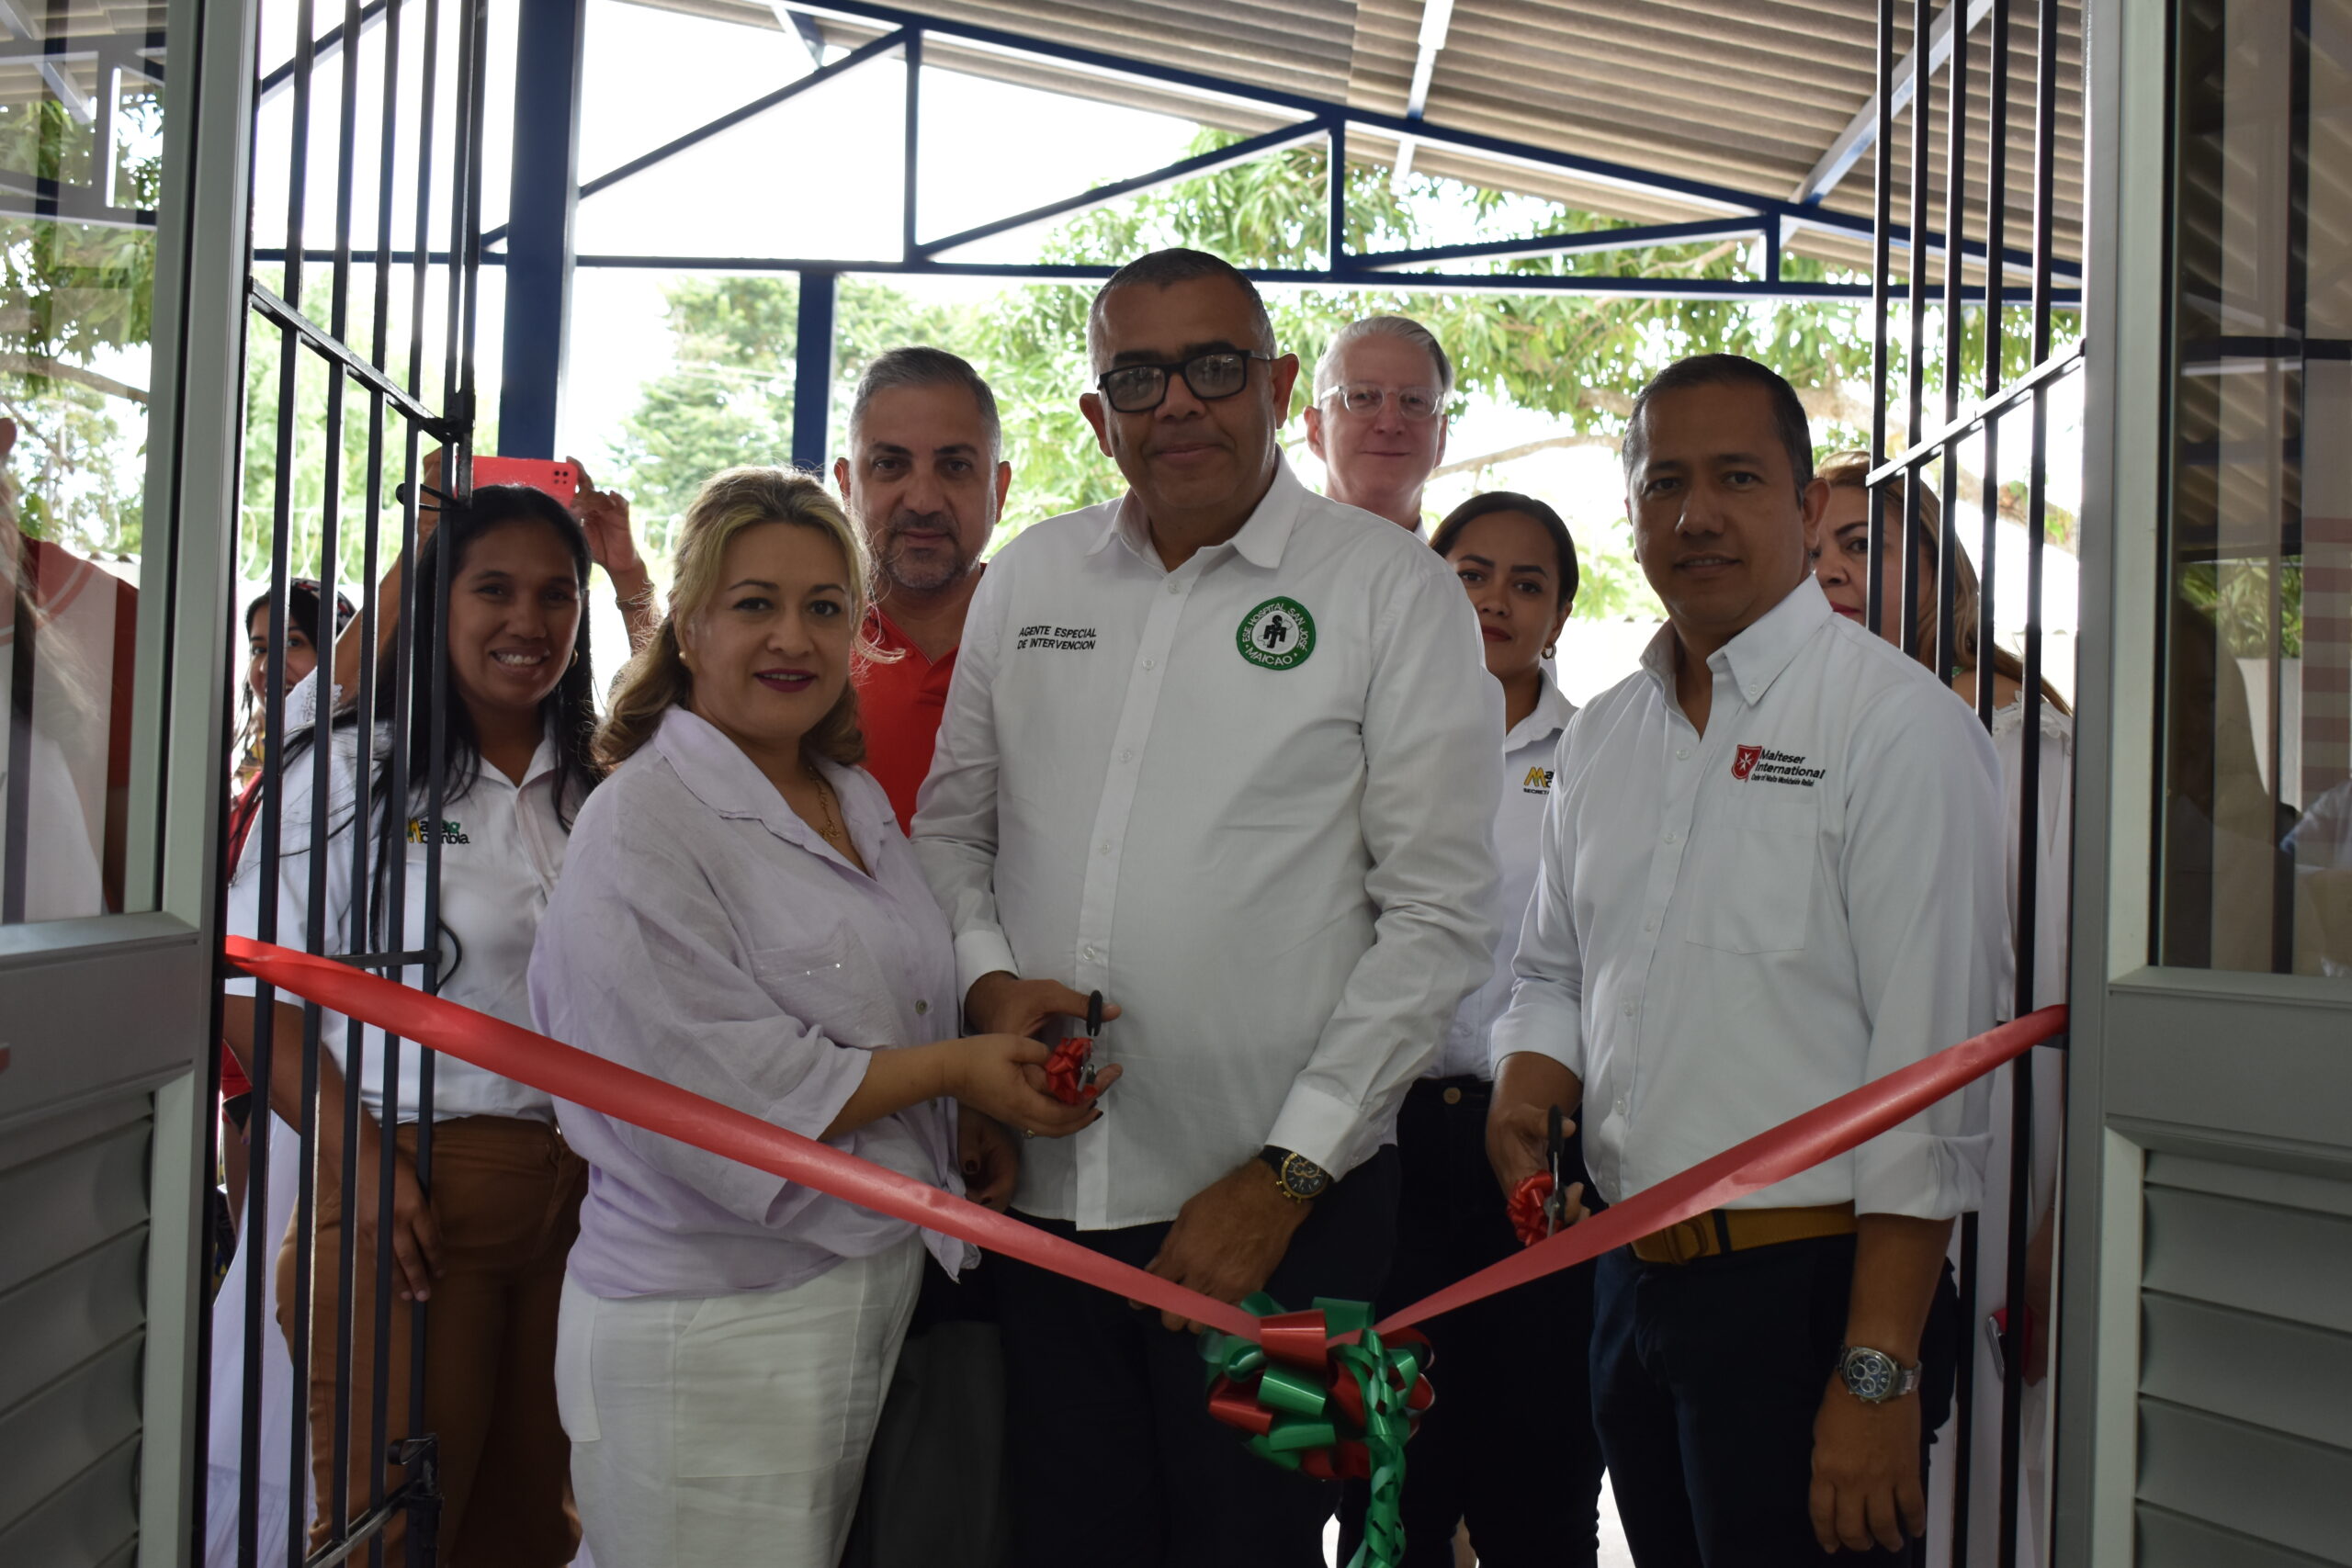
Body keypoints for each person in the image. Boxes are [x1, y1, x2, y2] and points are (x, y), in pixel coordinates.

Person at [911, 248, 1503, 1567]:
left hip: (1296, 1221)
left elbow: (1439, 916)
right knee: (1072, 1537)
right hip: (1048, 1201)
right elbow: (952, 829)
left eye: (1215, 366)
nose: (1177, 401)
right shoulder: (1033, 581)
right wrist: (990, 989)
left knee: (1262, 1541)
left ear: (1281, 385)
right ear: (1095, 412)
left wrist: (1287, 1171)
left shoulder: (1387, 590)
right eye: (1138, 374)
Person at [527, 467, 1102, 1568]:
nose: (790, 637)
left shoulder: (849, 795)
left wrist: (960, 1112)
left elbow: (895, 999)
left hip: (852, 1295)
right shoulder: (643, 824)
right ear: (689, 623)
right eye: (754, 604)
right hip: (707, 1324)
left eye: (824, 607)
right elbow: (715, 1091)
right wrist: (950, 1074)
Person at [1487, 354, 2007, 1566]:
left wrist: (1877, 1367)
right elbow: (1553, 966)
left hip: (1816, 1296)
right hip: (1633, 1286)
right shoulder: (1608, 733)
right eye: (1665, 480)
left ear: (1806, 505)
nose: (1696, 514)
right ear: (1630, 505)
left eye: (1736, 477)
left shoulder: (1897, 727)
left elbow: (1931, 1072)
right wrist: (1525, 1088)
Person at [220, 484, 613, 1566]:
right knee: (392, 1539)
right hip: (409, 1209)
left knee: (529, 1534)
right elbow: (253, 995)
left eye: (554, 595)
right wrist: (370, 1166)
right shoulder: (349, 774)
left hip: (581, 1212)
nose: (526, 622)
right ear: (435, 605)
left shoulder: (596, 793)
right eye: (492, 590)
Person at [1810, 454, 2074, 1567]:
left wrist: (2060, 1229)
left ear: (1938, 564)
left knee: (1998, 1469)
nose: (1830, 575)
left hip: (2009, 1151)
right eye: (1811, 549)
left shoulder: (2032, 750)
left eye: (1862, 546)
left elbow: (2067, 1005)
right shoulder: (1810, 735)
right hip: (1838, 1178)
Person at [1338, 491, 1605, 1568]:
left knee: (1537, 1468)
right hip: (1377, 1142)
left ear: (1558, 616)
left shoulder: (1597, 756)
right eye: (1471, 573)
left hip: (1531, 1149)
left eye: (1526, 583)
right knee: (1381, 1470)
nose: (1495, 600)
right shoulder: (1359, 737)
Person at [836, 347, 1011, 831]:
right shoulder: (802, 643)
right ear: (847, 486)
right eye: (891, 465)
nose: (923, 500)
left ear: (1000, 488)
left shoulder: (1056, 636)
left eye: (954, 467)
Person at [1303, 314, 1453, 532]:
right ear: (1316, 430)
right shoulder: (1247, 563)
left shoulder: (1449, 567)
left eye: (1414, 400)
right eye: (1362, 397)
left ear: (1440, 438)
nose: (1390, 424)